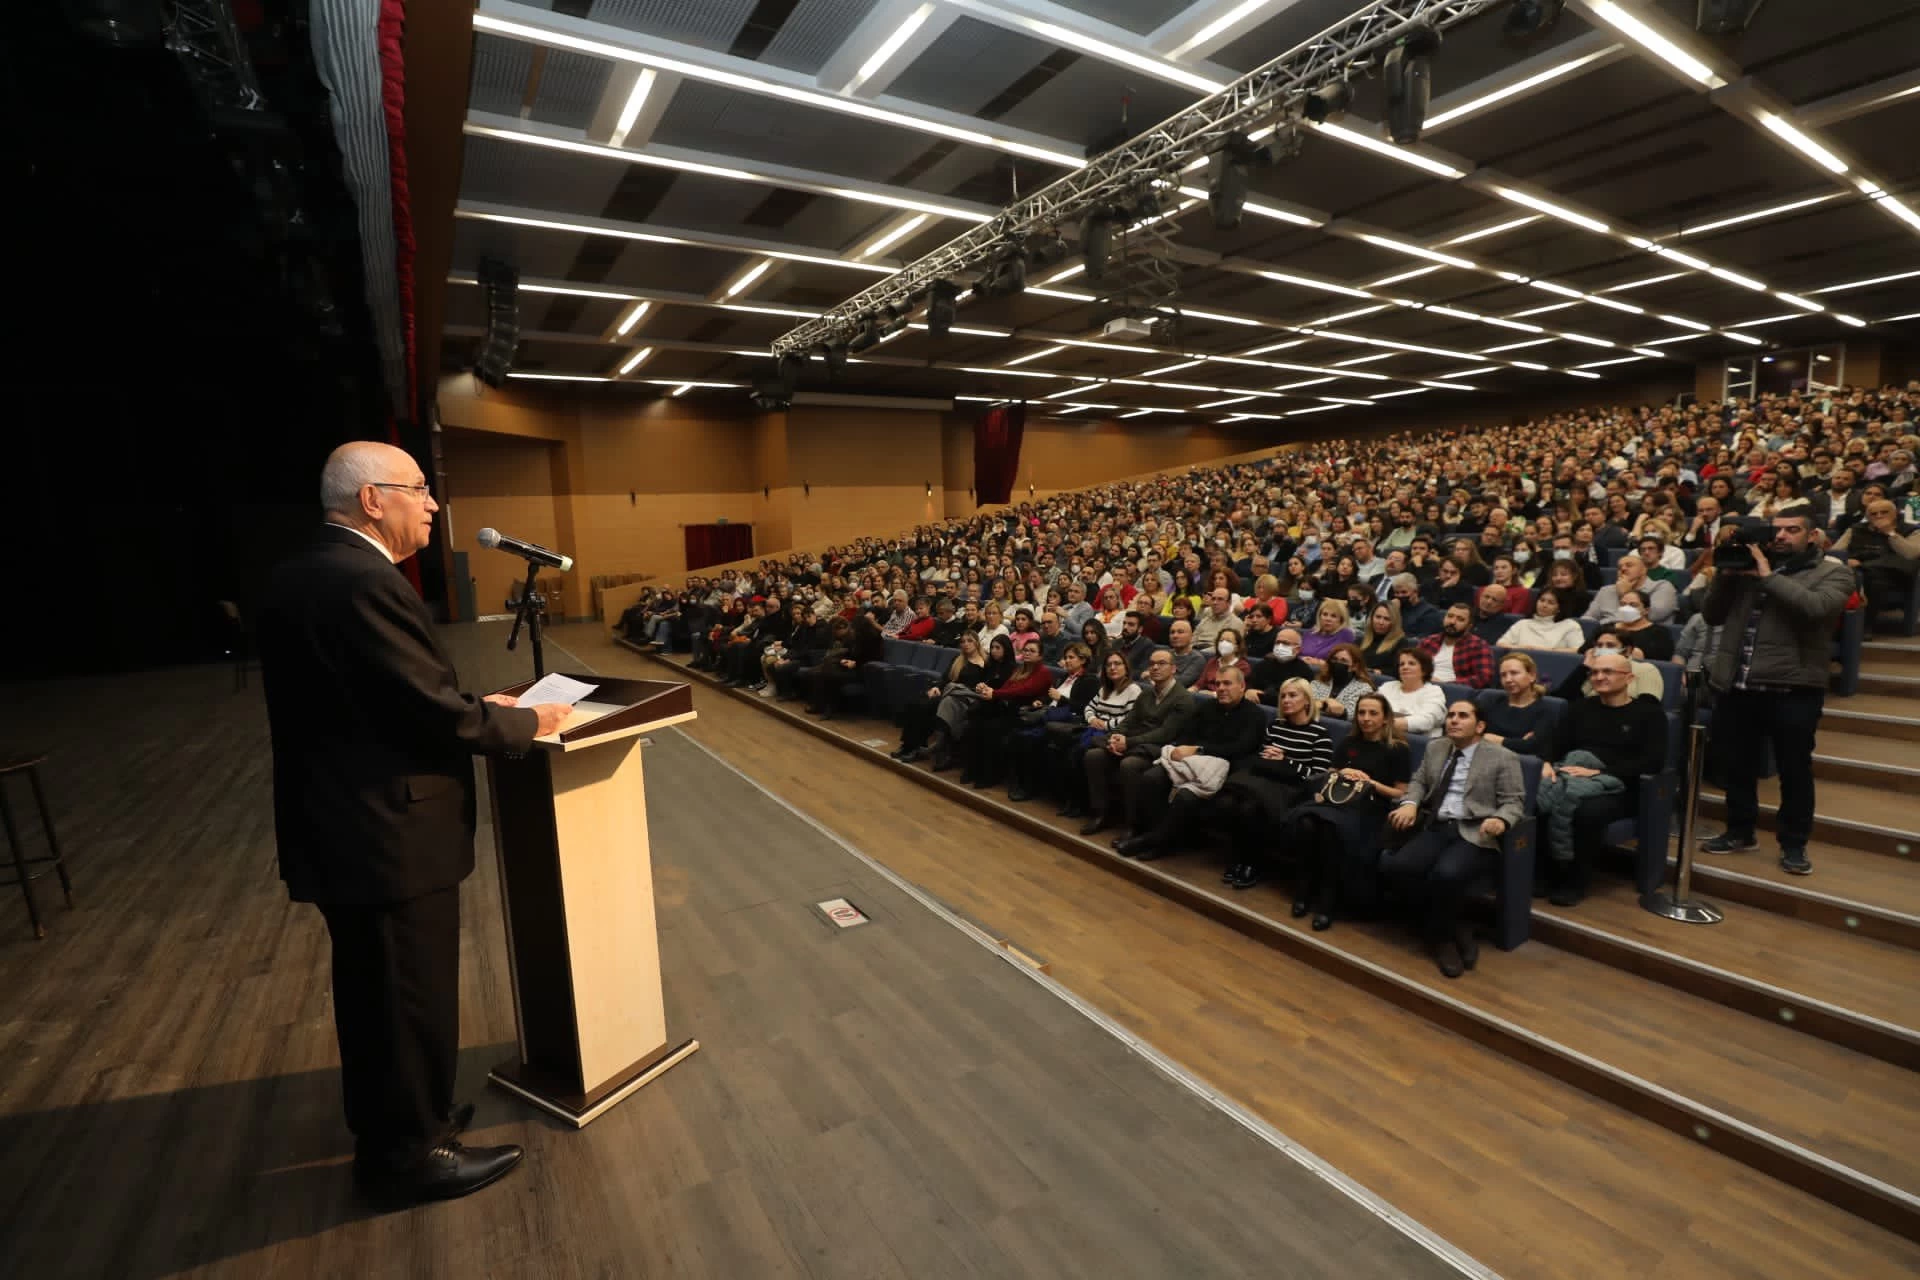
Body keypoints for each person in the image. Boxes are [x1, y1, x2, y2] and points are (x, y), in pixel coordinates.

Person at [257, 442, 569, 1207]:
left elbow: (379, 697)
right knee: (406, 995)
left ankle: (405, 1115)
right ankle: (409, 1153)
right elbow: (426, 714)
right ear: (371, 500)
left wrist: (473, 706)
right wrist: (523, 724)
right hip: (384, 832)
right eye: (419, 489)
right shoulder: (363, 580)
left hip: (342, 820)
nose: (432, 504)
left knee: (378, 995)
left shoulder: (303, 570)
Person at [1699, 511, 1853, 876]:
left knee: (1794, 770)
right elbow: (1711, 615)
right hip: (1739, 683)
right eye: (1777, 530)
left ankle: (1794, 844)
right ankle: (1739, 831)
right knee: (1737, 765)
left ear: (1813, 535)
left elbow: (1816, 609)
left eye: (1792, 529)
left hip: (1794, 687)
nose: (1782, 536)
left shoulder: (1834, 571)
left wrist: (1767, 576)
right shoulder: (1745, 569)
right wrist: (1726, 573)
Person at [1382, 701, 1526, 978]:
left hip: (1474, 831)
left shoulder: (1502, 757)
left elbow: (1514, 802)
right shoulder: (1436, 747)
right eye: (1450, 715)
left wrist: (1501, 820)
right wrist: (1410, 803)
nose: (1453, 720)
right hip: (1436, 825)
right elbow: (1419, 781)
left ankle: (1442, 940)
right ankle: (1455, 926)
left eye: (1463, 716)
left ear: (1480, 726)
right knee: (1398, 866)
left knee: (1446, 874)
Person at [1537, 651, 1668, 904]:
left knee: (1587, 812)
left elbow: (1653, 761)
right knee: (1542, 795)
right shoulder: (1579, 708)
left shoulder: (1649, 714)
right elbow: (1554, 744)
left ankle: (1575, 880)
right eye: (1595, 672)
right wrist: (1546, 764)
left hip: (1621, 785)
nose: (1599, 677)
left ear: (1628, 678)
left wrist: (1600, 773)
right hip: (1574, 774)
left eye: (1607, 672)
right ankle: (1547, 871)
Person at [1285, 693, 1411, 931]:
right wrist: (1342, 775)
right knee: (1306, 823)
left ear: (1385, 719)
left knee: (1331, 830)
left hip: (1370, 806)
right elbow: (1330, 774)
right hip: (1337, 799)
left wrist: (1370, 782)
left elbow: (1400, 793)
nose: (1365, 718)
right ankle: (1304, 888)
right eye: (1361, 712)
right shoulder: (1349, 742)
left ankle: (1327, 900)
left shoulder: (1397, 748)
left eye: (1373, 713)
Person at [1112, 666, 1266, 860]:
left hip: (1225, 768)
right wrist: (1184, 749)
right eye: (1218, 683)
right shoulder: (1208, 707)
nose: (1221, 688)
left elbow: (1241, 747)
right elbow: (1187, 734)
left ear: (1242, 686)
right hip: (1192, 762)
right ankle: (1154, 832)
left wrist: (1200, 749)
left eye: (1227, 683)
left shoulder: (1255, 715)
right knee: (1152, 777)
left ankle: (1157, 841)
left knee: (1186, 795)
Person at [1222, 678, 1333, 890]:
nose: (1286, 700)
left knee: (1249, 808)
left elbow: (1318, 775)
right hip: (1265, 782)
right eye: (1283, 696)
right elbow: (1262, 757)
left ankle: (1251, 863)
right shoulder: (1275, 726)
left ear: (1307, 701)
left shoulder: (1320, 735)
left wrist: (1286, 760)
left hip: (1293, 789)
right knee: (1228, 802)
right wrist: (1272, 758)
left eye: (1293, 695)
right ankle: (1239, 858)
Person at [1079, 648, 1195, 836]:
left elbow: (1165, 733)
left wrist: (1128, 742)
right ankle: (1101, 814)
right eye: (1152, 664)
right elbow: (1129, 721)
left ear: (1173, 669)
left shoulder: (1183, 699)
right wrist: (1115, 737)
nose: (1155, 667)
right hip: (1136, 742)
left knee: (1129, 765)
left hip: (1160, 748)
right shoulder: (1147, 693)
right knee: (1094, 756)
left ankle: (1133, 824)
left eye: (1161, 663)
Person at [1057, 650, 1142, 819]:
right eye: (1108, 665)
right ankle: (1071, 800)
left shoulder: (1133, 690)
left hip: (1111, 733)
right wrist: (1092, 719)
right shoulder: (1105, 688)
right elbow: (1089, 708)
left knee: (1078, 753)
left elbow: (1131, 718)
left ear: (1126, 667)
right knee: (1067, 748)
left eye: (1117, 664)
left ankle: (1078, 803)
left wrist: (1105, 724)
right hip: (1092, 729)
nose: (1112, 668)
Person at [959, 637, 1055, 788]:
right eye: (1025, 650)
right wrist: (988, 689)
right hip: (1010, 709)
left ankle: (991, 775)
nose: (1028, 653)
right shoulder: (1020, 669)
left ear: (1040, 656)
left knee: (991, 729)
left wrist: (995, 694)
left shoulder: (1043, 672)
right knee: (975, 724)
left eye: (1032, 651)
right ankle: (973, 769)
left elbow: (1024, 690)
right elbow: (1007, 688)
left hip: (1024, 715)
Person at [1833, 498, 1919, 621]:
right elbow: (1836, 552)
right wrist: (1847, 560)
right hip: (1857, 570)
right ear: (1867, 517)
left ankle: (1865, 623)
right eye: (1873, 514)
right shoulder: (1856, 529)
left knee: (1873, 578)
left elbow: (1911, 554)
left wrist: (1890, 532)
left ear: (1895, 514)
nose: (1879, 516)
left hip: (1893, 574)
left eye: (1884, 512)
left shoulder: (1911, 530)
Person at [1481, 653, 1558, 756]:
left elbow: (1533, 747)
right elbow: (1472, 735)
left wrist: (1498, 740)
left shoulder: (1544, 710)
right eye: (1503, 675)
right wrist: (1518, 743)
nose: (1508, 679)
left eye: (1514, 673)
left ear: (1532, 676)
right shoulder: (1492, 703)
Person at [1417, 603, 1497, 689]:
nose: (1452, 622)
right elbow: (1411, 665)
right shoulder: (1429, 641)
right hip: (1421, 686)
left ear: (1469, 626)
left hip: (1452, 691)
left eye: (1460, 619)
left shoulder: (1478, 645)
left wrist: (1446, 684)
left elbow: (1484, 677)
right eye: (1450, 616)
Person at [1377, 647, 1447, 736]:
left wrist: (1380, 723)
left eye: (1411, 663)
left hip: (1418, 742)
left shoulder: (1434, 692)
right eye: (1401, 664)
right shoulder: (1388, 686)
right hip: (1383, 735)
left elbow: (1426, 721)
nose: (1405, 667)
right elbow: (1371, 709)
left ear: (1424, 670)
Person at [1498, 587, 1582, 651]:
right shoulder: (1523, 624)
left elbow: (1577, 650)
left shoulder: (1570, 625)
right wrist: (1522, 648)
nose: (1544, 605)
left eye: (1550, 603)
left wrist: (1543, 651)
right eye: (1542, 600)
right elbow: (1500, 644)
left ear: (1559, 608)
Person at [1307, 641, 1374, 720]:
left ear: (1354, 666)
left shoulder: (1363, 689)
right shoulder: (1318, 682)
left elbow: (1353, 714)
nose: (1337, 663)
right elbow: (1307, 706)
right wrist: (1325, 703)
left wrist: (1323, 704)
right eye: (1334, 659)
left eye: (1343, 661)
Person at [1195, 627, 1253, 694]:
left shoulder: (1243, 666)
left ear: (1237, 647)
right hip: (1204, 695)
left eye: (1228, 641)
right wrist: (1192, 690)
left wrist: (1211, 694)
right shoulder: (1213, 661)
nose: (1224, 643)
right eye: (1221, 640)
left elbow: (1235, 692)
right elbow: (1199, 684)